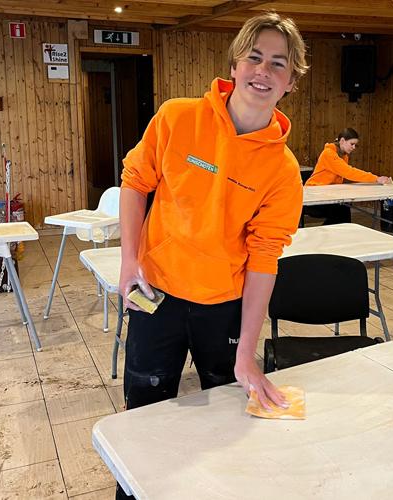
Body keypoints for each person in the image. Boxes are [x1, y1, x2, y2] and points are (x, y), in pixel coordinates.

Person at [117, 12, 307, 493]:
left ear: (291, 81)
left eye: (278, 64)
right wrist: (129, 260)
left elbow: (265, 259)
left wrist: (247, 352)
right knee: (143, 411)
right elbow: (135, 182)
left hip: (222, 306)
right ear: (235, 64)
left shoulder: (283, 171)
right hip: (156, 294)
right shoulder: (178, 117)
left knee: (225, 420)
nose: (263, 71)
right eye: (254, 57)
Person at [304, 128, 391, 224]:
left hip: (327, 193)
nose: (354, 147)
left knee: (343, 209)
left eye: (355, 145)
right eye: (352, 144)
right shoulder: (328, 154)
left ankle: (338, 231)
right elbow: (349, 172)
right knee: (341, 211)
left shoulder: (343, 156)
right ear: (342, 141)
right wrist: (376, 178)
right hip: (312, 196)